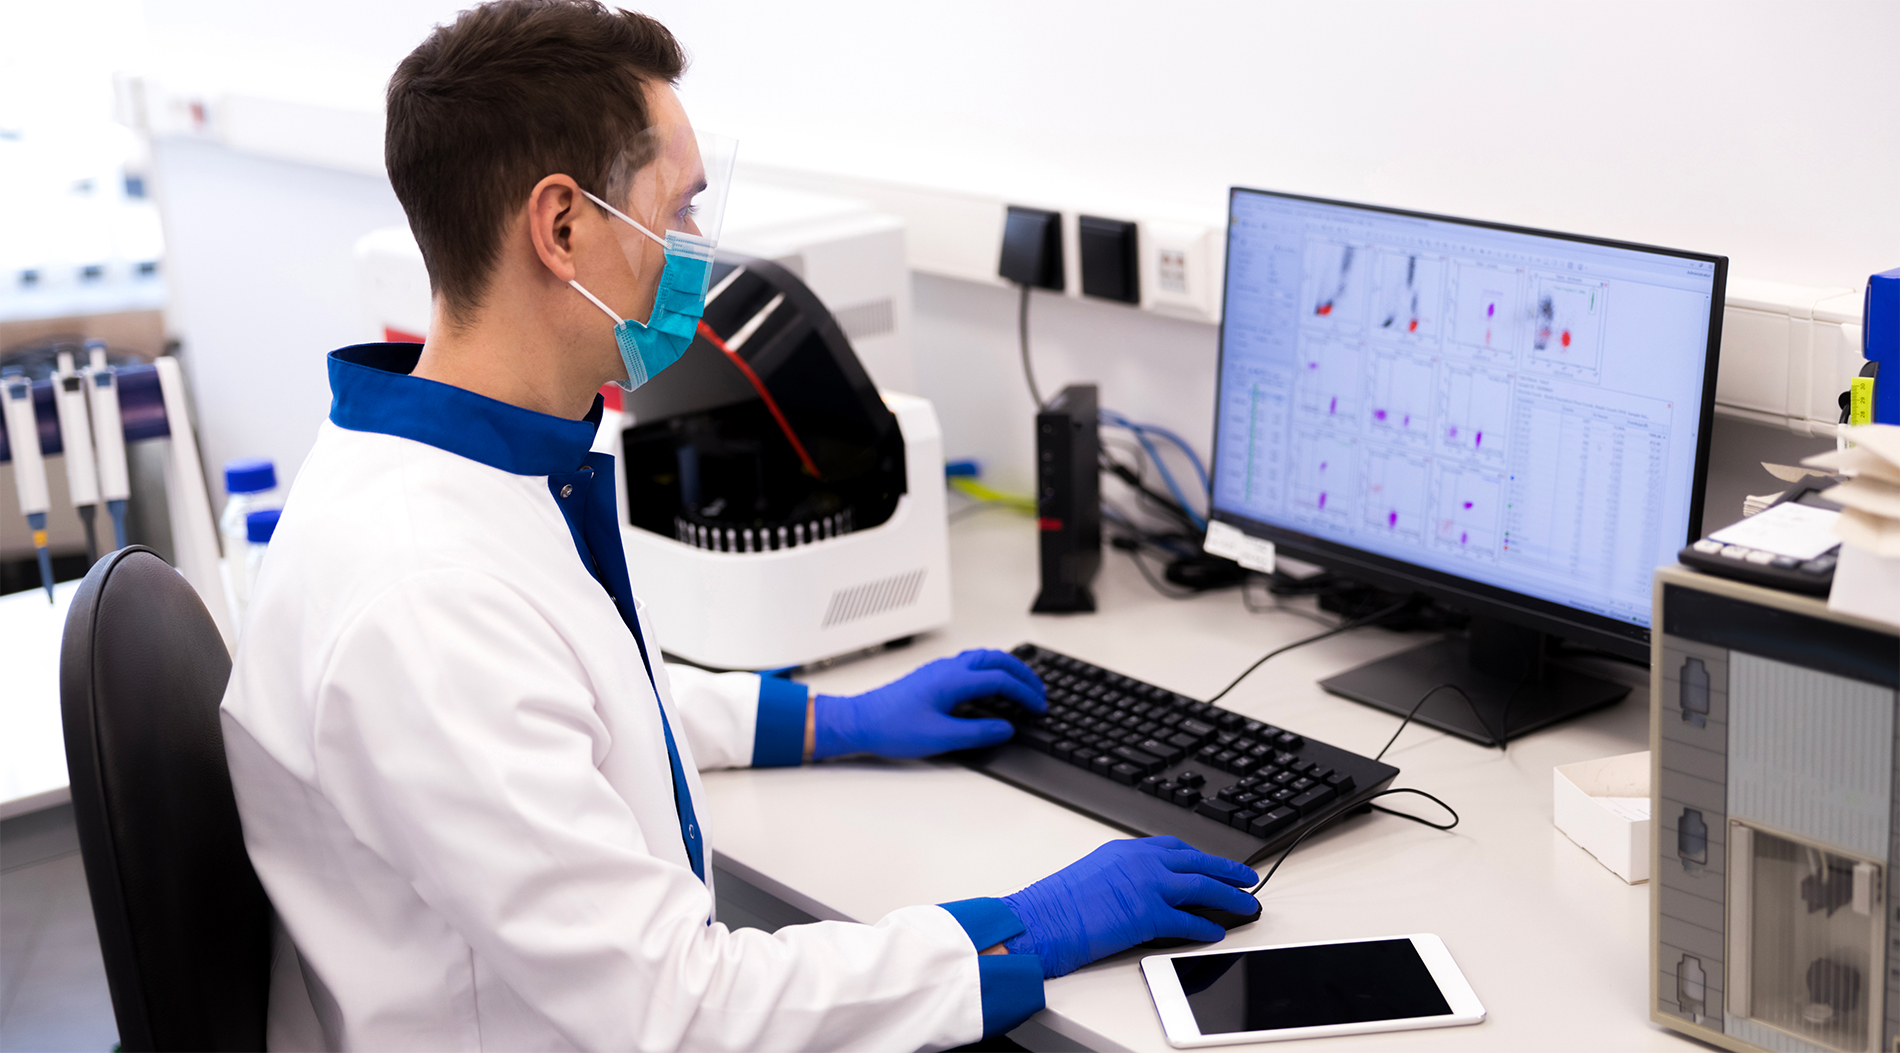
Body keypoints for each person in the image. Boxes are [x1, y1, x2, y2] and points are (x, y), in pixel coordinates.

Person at [218, 2, 1260, 1049]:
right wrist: (1017, 929)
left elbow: (569, 709)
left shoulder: (430, 470)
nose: (691, 255)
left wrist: (824, 723)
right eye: (676, 212)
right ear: (563, 228)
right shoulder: (425, 595)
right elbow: (684, 1009)